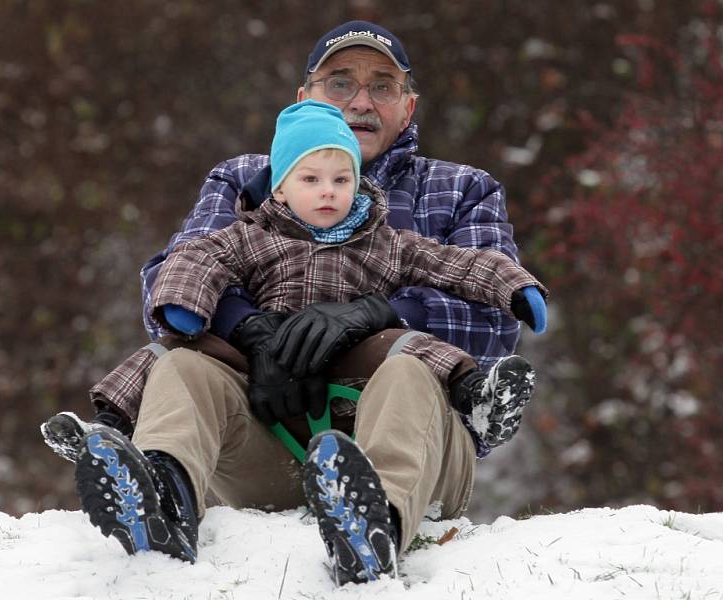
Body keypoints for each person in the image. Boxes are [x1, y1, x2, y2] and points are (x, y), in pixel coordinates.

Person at [67, 98, 548, 585]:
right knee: (179, 363)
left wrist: (517, 288)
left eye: (342, 181)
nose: (328, 192)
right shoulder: (249, 233)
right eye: (311, 180)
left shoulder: (398, 231)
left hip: (373, 408)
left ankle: (376, 517)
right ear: (278, 186)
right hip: (272, 433)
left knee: (409, 359)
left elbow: (456, 264)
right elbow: (193, 260)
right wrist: (210, 316)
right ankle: (160, 492)